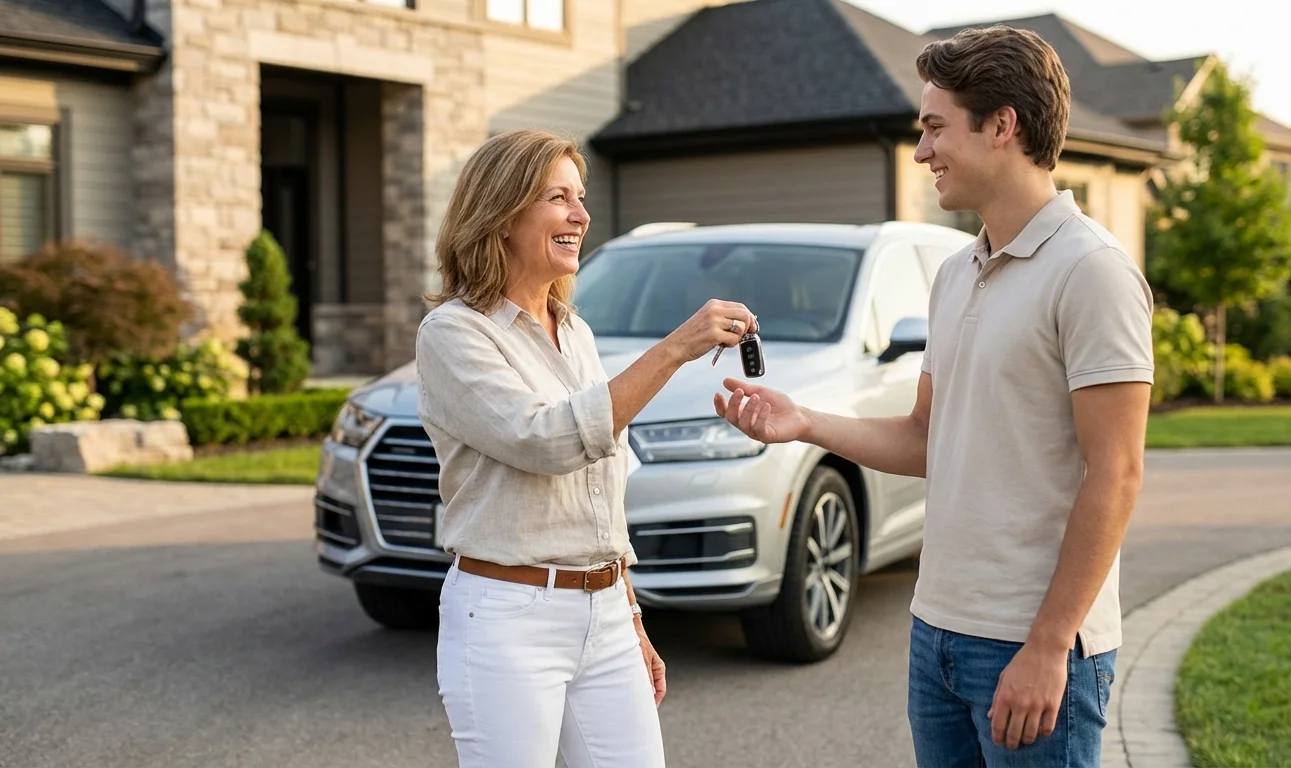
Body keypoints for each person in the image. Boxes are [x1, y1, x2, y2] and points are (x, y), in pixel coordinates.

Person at [714, 25, 1154, 768]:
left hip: (1035, 644)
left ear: (1003, 126)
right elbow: (927, 437)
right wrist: (804, 422)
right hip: (938, 634)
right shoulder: (956, 273)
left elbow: (1117, 473)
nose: (921, 153)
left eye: (935, 127)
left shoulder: (1093, 272)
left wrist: (1049, 645)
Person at [416, 128, 757, 767]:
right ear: (502, 213)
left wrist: (628, 614)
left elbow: (602, 489)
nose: (582, 215)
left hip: (604, 613)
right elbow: (544, 440)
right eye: (558, 197)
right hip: (507, 617)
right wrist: (676, 348)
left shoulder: (575, 332)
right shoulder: (453, 333)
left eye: (580, 196)